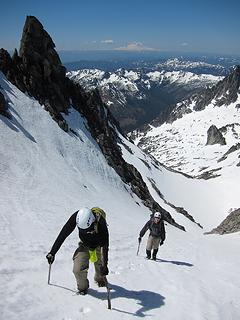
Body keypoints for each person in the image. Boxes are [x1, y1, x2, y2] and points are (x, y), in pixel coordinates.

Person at [46, 207, 109, 295]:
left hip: (98, 245)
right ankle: (83, 288)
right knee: (77, 270)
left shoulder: (100, 222)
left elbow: (105, 245)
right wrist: (52, 252)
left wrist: (104, 265)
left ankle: (100, 279)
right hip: (84, 244)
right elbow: (63, 234)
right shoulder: (76, 217)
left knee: (100, 270)